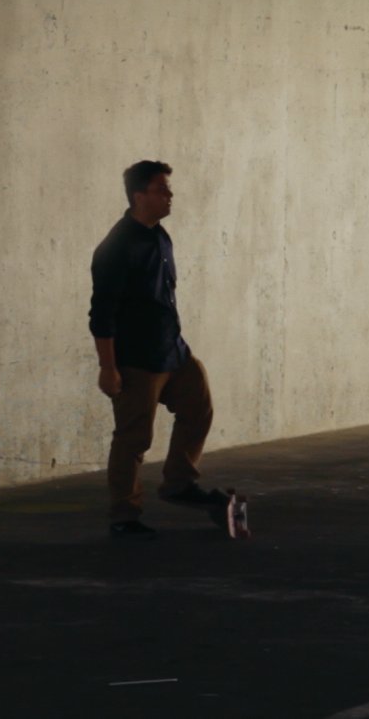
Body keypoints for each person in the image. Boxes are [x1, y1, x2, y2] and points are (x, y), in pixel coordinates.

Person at [88, 160, 225, 540]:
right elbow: (102, 314)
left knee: (199, 405)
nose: (169, 196)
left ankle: (179, 482)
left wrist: (177, 346)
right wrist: (108, 368)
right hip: (136, 361)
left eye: (168, 189)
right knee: (134, 438)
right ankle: (124, 516)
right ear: (139, 196)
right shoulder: (116, 248)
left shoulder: (161, 237)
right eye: (161, 189)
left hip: (173, 351)